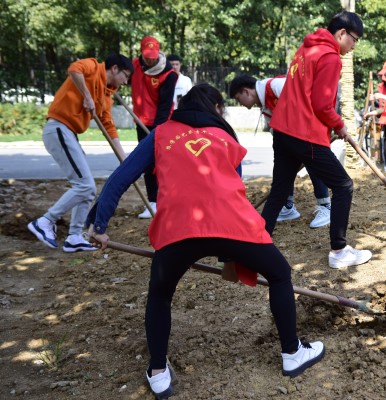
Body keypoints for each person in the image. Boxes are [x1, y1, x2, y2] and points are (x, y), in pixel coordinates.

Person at [85, 84, 325, 398]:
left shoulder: (160, 134)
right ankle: (292, 353)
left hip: (179, 230)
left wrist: (99, 225)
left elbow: (120, 177)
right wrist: (230, 258)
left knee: (160, 293)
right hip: (234, 226)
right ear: (216, 108)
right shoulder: (225, 136)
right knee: (279, 274)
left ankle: (158, 372)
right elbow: (232, 192)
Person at [262, 11, 372, 269]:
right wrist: (339, 125)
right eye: (354, 39)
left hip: (283, 131)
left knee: (279, 190)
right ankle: (339, 251)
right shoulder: (330, 57)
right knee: (343, 185)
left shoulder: (305, 49)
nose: (354, 46)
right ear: (342, 33)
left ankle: (256, 246)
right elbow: (322, 105)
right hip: (305, 134)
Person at [27, 54, 133, 253]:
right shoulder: (93, 67)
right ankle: (45, 221)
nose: (125, 82)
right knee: (85, 185)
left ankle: (74, 237)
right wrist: (87, 95)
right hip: (59, 128)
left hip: (69, 134)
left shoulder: (106, 96)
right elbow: (74, 69)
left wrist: (125, 161)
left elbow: (109, 127)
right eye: (125, 76)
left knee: (88, 188)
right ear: (114, 69)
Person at [229, 74, 332, 228]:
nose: (241, 104)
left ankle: (325, 206)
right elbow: (275, 130)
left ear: (246, 92)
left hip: (309, 131)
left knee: (313, 162)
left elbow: (306, 101)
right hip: (291, 138)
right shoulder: (264, 104)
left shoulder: (276, 86)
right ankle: (288, 206)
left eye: (239, 99)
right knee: (283, 170)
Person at [131, 36, 178, 218]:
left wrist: (157, 130)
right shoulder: (134, 66)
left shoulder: (168, 74)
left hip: (160, 123)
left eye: (153, 56)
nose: (150, 60)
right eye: (147, 56)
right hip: (140, 121)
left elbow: (165, 106)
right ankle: (153, 202)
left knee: (162, 162)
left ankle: (168, 199)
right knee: (147, 163)